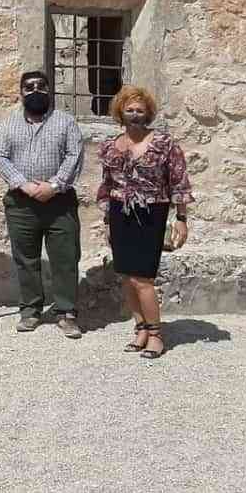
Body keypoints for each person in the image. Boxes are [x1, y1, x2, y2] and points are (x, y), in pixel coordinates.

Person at [97, 86, 194, 360]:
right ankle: (140, 329)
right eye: (129, 110)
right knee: (126, 277)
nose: (135, 114)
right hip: (120, 213)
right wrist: (107, 221)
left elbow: (179, 182)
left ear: (148, 113)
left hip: (152, 213)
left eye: (140, 110)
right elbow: (107, 185)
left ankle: (156, 335)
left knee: (142, 278)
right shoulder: (110, 146)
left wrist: (181, 219)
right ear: (120, 112)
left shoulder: (165, 144)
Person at [0, 71, 86, 338]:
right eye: (29, 87)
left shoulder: (65, 122)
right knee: (26, 259)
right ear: (21, 92)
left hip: (60, 203)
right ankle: (30, 311)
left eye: (41, 86)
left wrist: (53, 186)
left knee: (65, 258)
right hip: (21, 203)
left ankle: (66, 312)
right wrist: (24, 185)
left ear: (49, 90)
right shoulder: (8, 124)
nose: (35, 91)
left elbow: (74, 155)